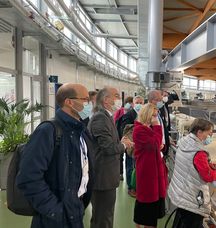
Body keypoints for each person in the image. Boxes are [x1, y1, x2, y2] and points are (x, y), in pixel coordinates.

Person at [16, 83, 94, 228]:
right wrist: (55, 212)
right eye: (85, 99)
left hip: (76, 209)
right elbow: (28, 178)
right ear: (69, 102)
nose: (89, 105)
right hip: (53, 218)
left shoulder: (81, 131)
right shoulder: (48, 131)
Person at [168, 118, 216, 228]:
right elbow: (208, 176)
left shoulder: (185, 142)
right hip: (192, 199)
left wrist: (209, 165)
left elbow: (192, 164)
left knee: (181, 221)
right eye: (209, 134)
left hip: (181, 193)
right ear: (199, 132)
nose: (209, 137)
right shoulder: (198, 152)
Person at [88, 87, 133, 228]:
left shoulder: (106, 116)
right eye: (116, 96)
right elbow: (108, 148)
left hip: (106, 176)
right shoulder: (100, 118)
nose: (119, 99)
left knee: (104, 216)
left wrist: (120, 142)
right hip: (103, 178)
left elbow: (108, 143)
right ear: (106, 100)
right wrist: (124, 145)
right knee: (103, 218)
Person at [133, 103, 168, 228]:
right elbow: (153, 144)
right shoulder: (139, 130)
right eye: (154, 115)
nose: (156, 118)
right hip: (147, 171)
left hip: (153, 168)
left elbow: (154, 144)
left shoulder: (147, 129)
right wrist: (157, 127)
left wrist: (158, 145)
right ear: (147, 115)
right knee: (146, 202)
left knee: (149, 202)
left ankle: (143, 223)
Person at [118, 95, 144, 197]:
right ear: (133, 104)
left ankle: (136, 186)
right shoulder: (128, 115)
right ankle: (130, 187)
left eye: (141, 103)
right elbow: (123, 130)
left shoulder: (142, 114)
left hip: (139, 145)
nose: (139, 105)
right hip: (130, 145)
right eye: (137, 103)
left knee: (136, 167)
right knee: (129, 166)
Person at [148, 90, 169, 156]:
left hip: (161, 148)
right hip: (153, 151)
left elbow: (162, 128)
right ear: (152, 100)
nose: (161, 102)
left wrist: (167, 138)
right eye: (159, 100)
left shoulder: (158, 112)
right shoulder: (147, 114)